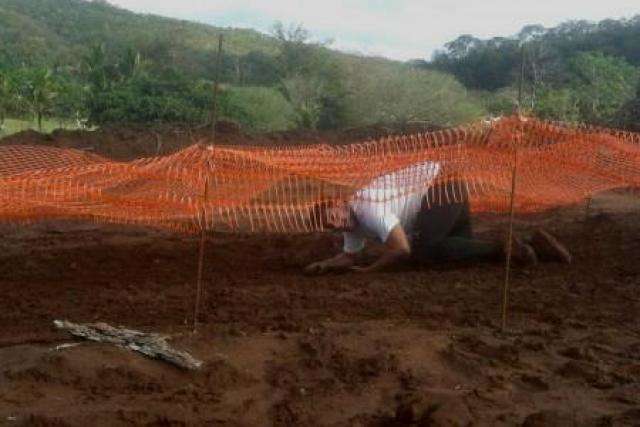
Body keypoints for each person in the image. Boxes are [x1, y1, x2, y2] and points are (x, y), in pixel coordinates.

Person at [304, 160, 571, 275]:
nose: (337, 224)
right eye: (331, 225)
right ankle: (533, 245)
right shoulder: (350, 222)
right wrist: (326, 264)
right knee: (458, 247)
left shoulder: (367, 207)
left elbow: (402, 249)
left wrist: (368, 271)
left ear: (340, 204)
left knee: (426, 250)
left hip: (440, 185)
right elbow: (349, 254)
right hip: (445, 183)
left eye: (334, 216)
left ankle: (505, 248)